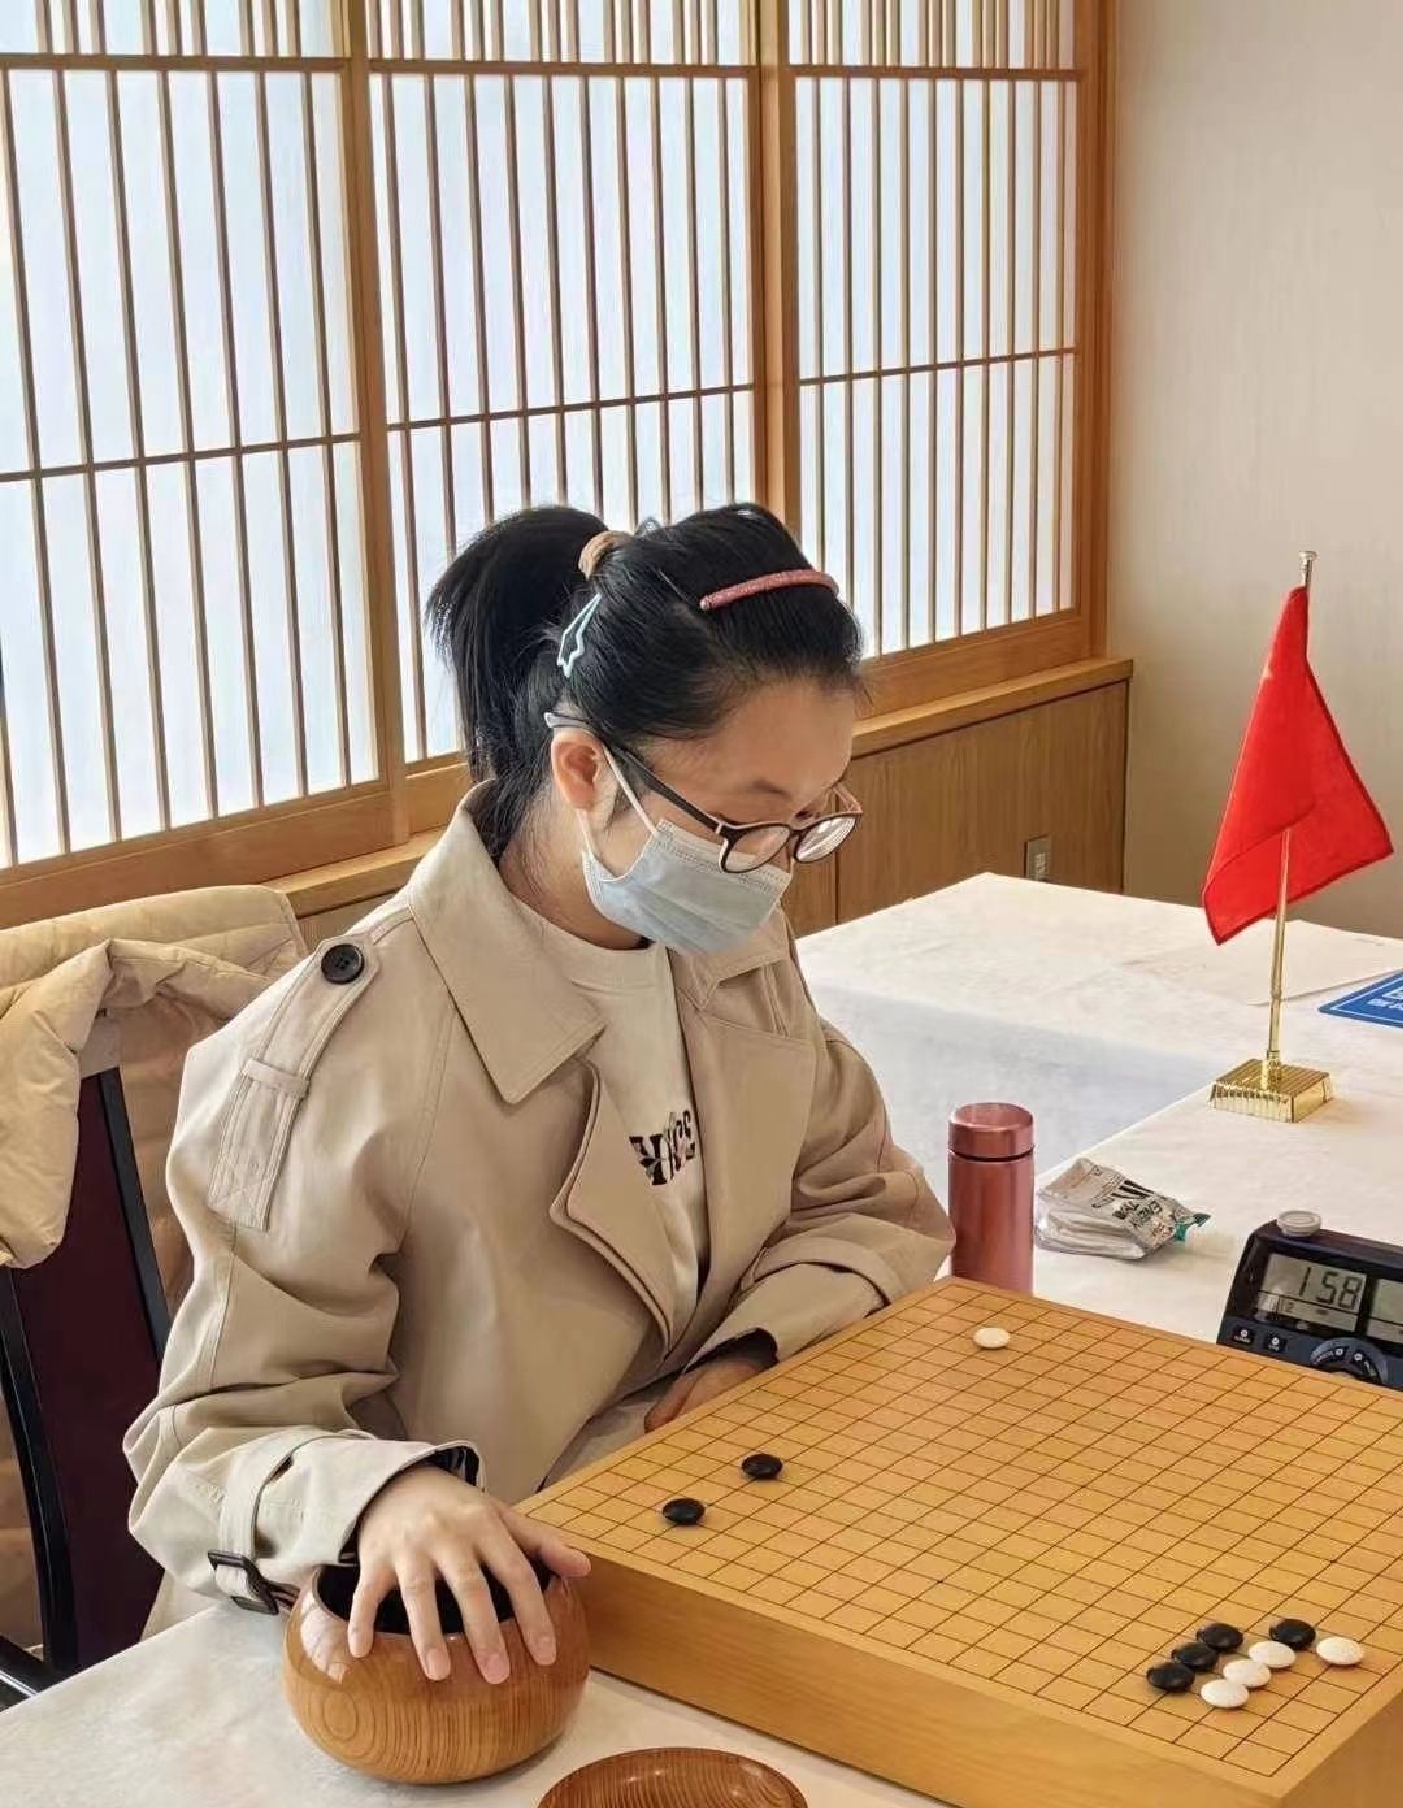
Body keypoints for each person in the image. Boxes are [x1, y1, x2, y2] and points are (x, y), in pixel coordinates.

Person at [127, 503, 952, 1689]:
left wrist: (750, 1351)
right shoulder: (349, 1047)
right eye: (743, 821)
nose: (776, 868)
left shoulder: (722, 936)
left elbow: (863, 1198)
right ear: (583, 768)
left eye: (808, 820)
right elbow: (208, 1444)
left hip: (684, 1544)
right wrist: (385, 1496)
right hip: (408, 1648)